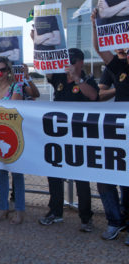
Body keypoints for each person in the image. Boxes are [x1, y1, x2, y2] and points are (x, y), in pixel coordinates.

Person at [36, 47, 98, 232]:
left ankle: (86, 218)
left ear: (80, 62)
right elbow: (46, 68)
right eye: (66, 60)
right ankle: (55, 212)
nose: (68, 63)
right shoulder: (59, 78)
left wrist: (77, 79)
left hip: (79, 136)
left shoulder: (87, 79)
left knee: (81, 178)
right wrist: (38, 44)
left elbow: (94, 96)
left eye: (72, 60)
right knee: (54, 174)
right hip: (59, 135)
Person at [91, 8, 129, 244]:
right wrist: (96, 25)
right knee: (104, 177)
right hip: (119, 132)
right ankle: (115, 221)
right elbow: (100, 49)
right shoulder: (119, 67)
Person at [0, 56, 26, 224]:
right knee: (1, 173)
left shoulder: (16, 87)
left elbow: (14, 108)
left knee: (17, 174)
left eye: (3, 69)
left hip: (14, 134)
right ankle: (3, 208)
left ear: (9, 70)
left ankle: (19, 211)